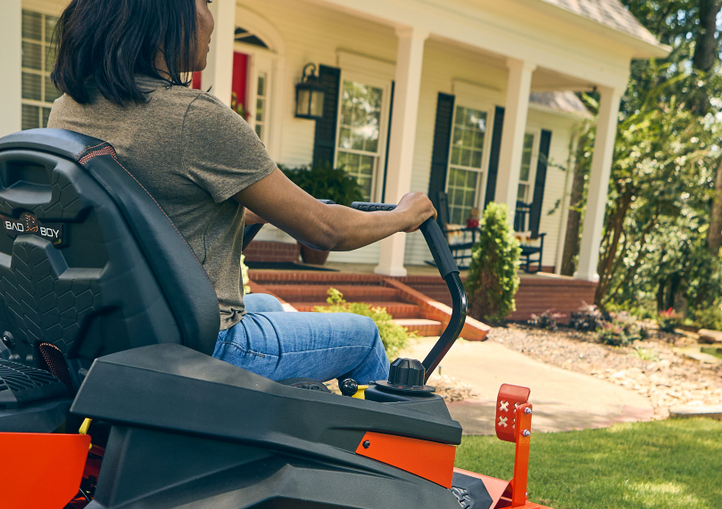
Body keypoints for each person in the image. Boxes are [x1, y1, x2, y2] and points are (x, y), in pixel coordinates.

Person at [47, 0, 436, 384]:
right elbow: (326, 230)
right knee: (364, 337)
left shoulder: (68, 109)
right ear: (166, 11)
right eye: (204, 2)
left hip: (116, 328)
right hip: (197, 344)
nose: (211, 18)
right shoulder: (193, 117)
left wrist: (255, 209)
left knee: (269, 305)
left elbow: (148, 208)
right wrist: (403, 215)